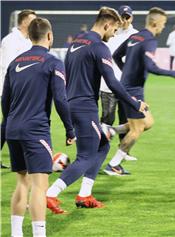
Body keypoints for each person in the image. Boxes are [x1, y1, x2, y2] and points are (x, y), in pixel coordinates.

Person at [46, 7, 148, 214]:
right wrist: (135, 103)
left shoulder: (76, 42)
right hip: (85, 107)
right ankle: (49, 194)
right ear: (106, 25)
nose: (114, 34)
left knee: (102, 144)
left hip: (71, 103)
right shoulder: (99, 47)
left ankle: (85, 195)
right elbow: (112, 82)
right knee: (85, 157)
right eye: (114, 30)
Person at [2, 17, 76, 237]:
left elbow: (5, 101)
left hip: (12, 128)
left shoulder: (15, 62)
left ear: (30, 36)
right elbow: (61, 100)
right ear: (50, 36)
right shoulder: (53, 62)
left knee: (21, 183)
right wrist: (70, 130)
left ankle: (16, 234)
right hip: (35, 131)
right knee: (39, 185)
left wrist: (10, 125)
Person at [103, 7, 175, 175]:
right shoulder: (149, 40)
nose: (163, 27)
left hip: (128, 87)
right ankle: (114, 165)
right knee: (136, 130)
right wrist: (171, 73)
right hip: (133, 91)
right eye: (163, 24)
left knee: (148, 122)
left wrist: (127, 72)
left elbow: (116, 55)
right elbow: (151, 66)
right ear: (154, 22)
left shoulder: (134, 36)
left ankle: (112, 130)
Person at [99, 5, 139, 176]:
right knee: (107, 117)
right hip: (107, 83)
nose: (124, 20)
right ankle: (99, 150)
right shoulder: (111, 33)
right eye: (122, 16)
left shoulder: (135, 34)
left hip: (126, 84)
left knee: (128, 119)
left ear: (131, 18)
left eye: (127, 16)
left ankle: (123, 152)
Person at [1, 9, 37, 168]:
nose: (35, 23)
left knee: (12, 121)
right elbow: (7, 67)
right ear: (23, 22)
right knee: (9, 122)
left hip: (25, 89)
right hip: (11, 89)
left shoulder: (28, 41)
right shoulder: (10, 40)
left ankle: (25, 156)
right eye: (32, 20)